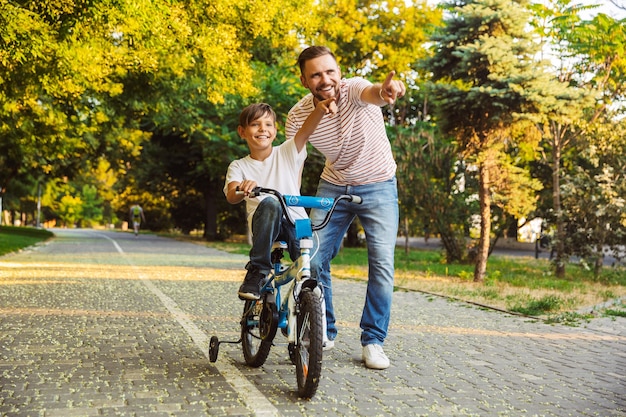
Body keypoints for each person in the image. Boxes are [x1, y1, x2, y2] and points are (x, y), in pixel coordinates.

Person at [285, 46, 406, 370]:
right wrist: (291, 201)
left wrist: (385, 91)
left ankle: (373, 341)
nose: (325, 79)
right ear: (304, 80)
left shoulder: (353, 89)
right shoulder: (298, 115)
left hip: (379, 185)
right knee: (313, 256)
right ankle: (324, 329)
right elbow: (291, 160)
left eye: (330, 71)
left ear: (339, 72)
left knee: (381, 264)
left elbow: (374, 94)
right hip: (334, 184)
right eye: (316, 74)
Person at [224, 100, 337, 301]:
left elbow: (305, 131)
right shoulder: (239, 166)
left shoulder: (285, 152)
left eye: (268, 125)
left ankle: (314, 320)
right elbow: (231, 194)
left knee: (313, 268)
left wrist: (319, 110)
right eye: (255, 124)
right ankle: (258, 269)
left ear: (275, 131)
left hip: (296, 222)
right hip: (266, 224)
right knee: (270, 202)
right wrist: (242, 187)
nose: (262, 129)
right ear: (242, 132)